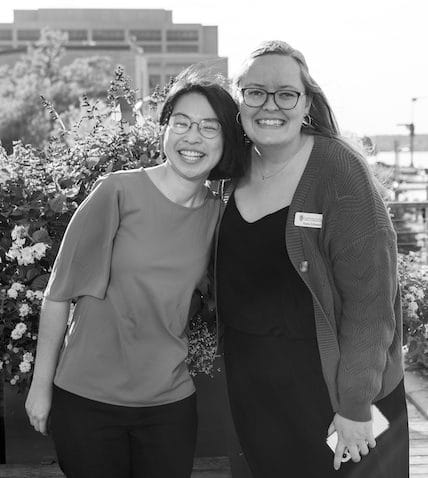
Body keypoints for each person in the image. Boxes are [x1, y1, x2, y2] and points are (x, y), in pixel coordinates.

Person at [25, 69, 246, 478]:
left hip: (169, 406)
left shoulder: (220, 218)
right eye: (181, 122)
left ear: (227, 140)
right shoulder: (118, 191)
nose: (191, 137)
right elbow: (58, 295)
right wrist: (41, 388)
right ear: (164, 129)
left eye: (208, 127)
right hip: (87, 402)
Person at [215, 40, 409, 478]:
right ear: (238, 100)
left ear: (306, 103)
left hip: (333, 387)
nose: (271, 105)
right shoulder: (230, 167)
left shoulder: (339, 172)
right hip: (253, 382)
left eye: (286, 93)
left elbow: (371, 304)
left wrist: (356, 406)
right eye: (255, 92)